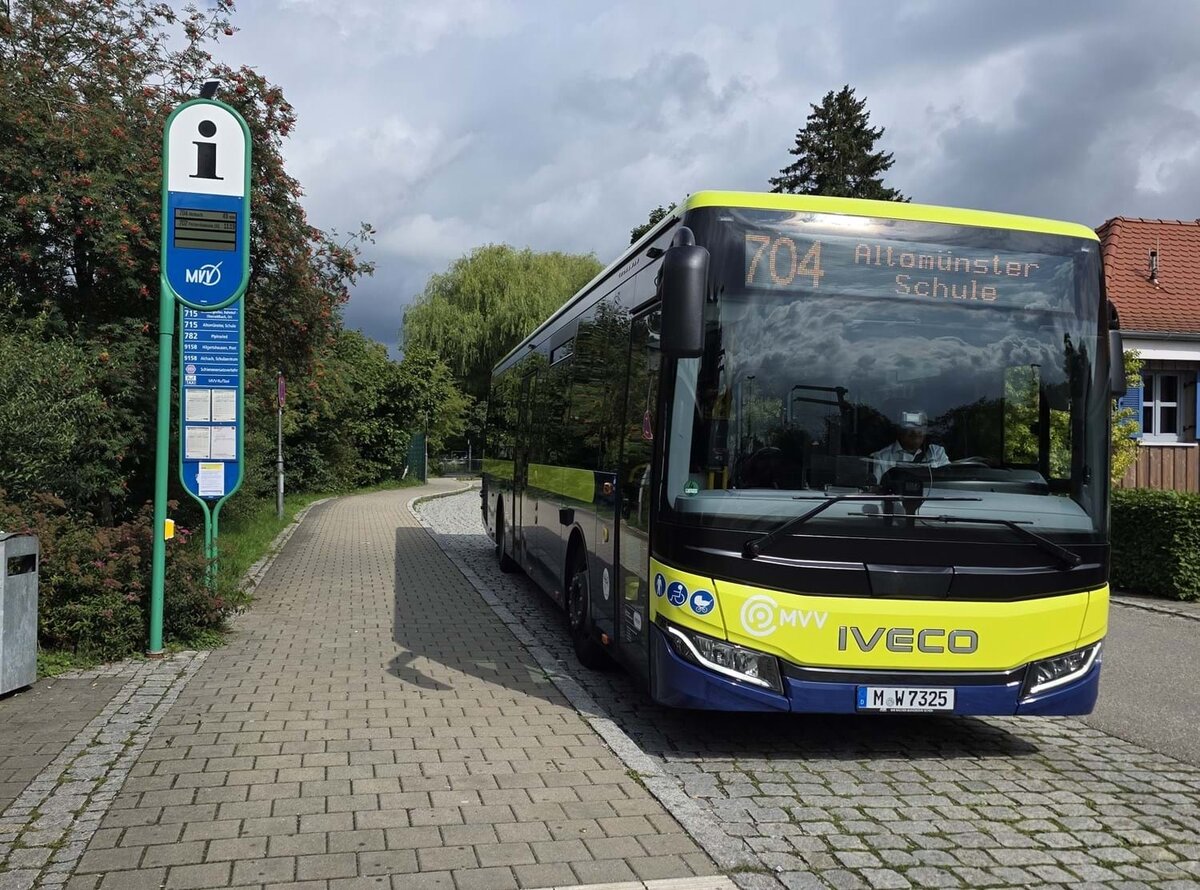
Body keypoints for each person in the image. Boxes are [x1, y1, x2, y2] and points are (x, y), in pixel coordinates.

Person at [870, 409, 949, 481]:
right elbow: (876, 489)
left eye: (922, 425)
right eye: (910, 425)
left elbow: (947, 483)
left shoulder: (936, 452)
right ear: (899, 428)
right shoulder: (881, 458)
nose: (916, 431)